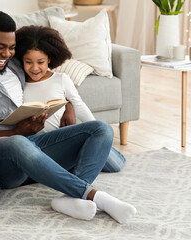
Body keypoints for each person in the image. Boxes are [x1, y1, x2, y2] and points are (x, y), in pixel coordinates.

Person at [0, 11, 136, 223]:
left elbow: (47, 69)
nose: (6, 54)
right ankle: (95, 196)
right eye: (0, 47)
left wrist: (68, 105)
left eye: (11, 48)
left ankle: (71, 198)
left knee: (100, 129)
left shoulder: (16, 64)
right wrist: (15, 132)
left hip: (30, 149)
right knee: (18, 142)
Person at [15, 25, 130, 219]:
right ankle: (78, 192)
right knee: (102, 155)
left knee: (116, 163)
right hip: (42, 146)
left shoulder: (61, 79)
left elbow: (84, 113)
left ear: (50, 58)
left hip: (66, 141)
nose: (34, 68)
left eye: (41, 62)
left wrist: (72, 108)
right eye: (28, 62)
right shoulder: (18, 83)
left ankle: (71, 195)